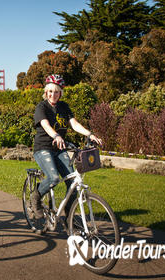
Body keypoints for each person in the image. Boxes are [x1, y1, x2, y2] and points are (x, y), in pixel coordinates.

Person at [31, 74, 102, 219]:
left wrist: (90, 134)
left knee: (73, 184)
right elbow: (45, 125)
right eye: (50, 91)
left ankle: (69, 218)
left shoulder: (64, 107)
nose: (53, 94)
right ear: (46, 92)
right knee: (53, 178)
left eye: (56, 91)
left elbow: (74, 124)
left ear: (60, 93)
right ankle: (36, 197)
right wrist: (56, 136)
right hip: (43, 147)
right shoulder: (42, 106)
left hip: (59, 148)